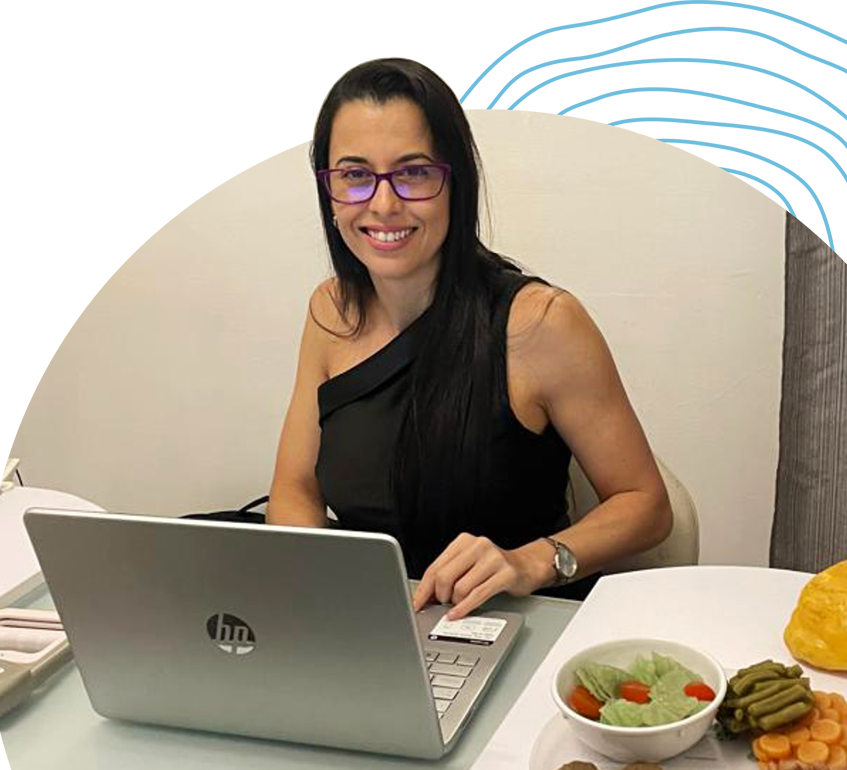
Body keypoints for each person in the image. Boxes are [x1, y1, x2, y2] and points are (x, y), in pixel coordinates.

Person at [266, 58, 673, 619]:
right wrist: (313, 591)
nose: (383, 204)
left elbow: (646, 506)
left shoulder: (541, 322)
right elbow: (295, 490)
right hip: (367, 618)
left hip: (506, 622)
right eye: (355, 175)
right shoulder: (330, 311)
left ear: (456, 181)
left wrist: (532, 560)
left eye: (413, 173)